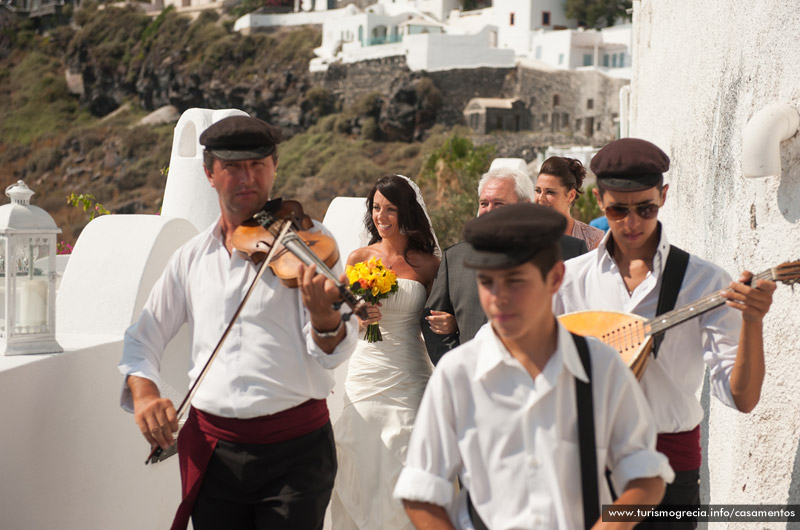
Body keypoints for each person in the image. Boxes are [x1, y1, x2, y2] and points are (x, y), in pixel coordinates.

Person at [118, 115, 358, 530]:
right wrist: (143, 392)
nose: (248, 178)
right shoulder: (191, 259)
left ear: (275, 168)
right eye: (233, 167)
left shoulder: (310, 242)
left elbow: (337, 350)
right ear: (210, 174)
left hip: (296, 454)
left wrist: (324, 319)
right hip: (214, 453)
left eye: (258, 165)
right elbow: (143, 336)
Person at [394, 203, 673, 529]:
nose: (498, 297)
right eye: (487, 282)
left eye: (515, 281)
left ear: (555, 278)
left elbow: (645, 477)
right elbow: (421, 491)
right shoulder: (458, 374)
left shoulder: (601, 366)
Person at [554, 138, 776, 527]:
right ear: (598, 200)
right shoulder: (569, 282)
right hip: (587, 460)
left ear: (664, 195)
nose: (632, 222)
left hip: (671, 464)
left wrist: (753, 323)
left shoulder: (703, 282)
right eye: (618, 210)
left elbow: (742, 398)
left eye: (646, 208)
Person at [330, 174, 440, 530]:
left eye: (390, 209)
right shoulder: (359, 257)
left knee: (407, 458)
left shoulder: (429, 264)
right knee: (358, 454)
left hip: (410, 371)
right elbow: (340, 314)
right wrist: (360, 317)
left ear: (406, 211)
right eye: (376, 208)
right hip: (366, 372)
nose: (381, 216)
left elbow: (438, 314)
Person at [422, 167, 588, 365]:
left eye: (499, 203)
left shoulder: (569, 252)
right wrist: (462, 366)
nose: (489, 211)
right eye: (484, 203)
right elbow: (433, 324)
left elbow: (586, 316)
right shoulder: (455, 258)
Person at [535, 156, 606, 250]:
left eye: (550, 192)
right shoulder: (524, 235)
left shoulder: (594, 238)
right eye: (538, 190)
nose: (541, 198)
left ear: (571, 195)